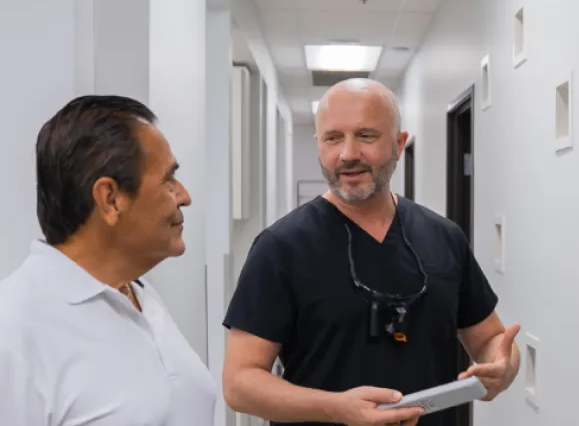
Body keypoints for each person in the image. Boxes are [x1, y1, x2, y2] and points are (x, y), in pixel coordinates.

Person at [222, 78, 521, 426]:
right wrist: (337, 408)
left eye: (366, 136)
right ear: (319, 144)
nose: (348, 154)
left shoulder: (444, 237)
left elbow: (490, 338)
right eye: (333, 138)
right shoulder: (281, 248)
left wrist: (505, 366)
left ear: (399, 143)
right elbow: (239, 382)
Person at [0, 95, 217, 425]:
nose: (184, 196)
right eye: (168, 180)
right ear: (111, 199)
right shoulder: (14, 331)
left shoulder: (141, 297)